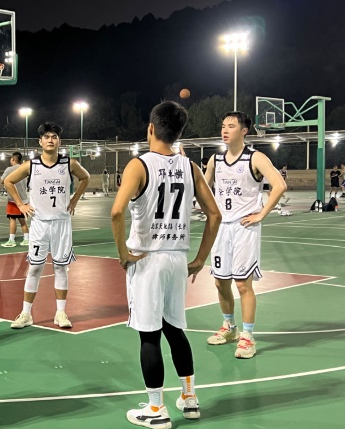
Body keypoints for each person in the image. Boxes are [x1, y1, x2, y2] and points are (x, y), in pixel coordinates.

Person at [111, 101, 221, 428]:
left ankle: (156, 409)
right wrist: (200, 259)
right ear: (179, 133)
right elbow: (214, 215)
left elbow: (116, 212)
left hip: (147, 258)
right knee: (174, 329)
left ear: (151, 128)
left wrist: (122, 253)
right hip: (177, 258)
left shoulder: (138, 165)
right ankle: (189, 397)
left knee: (149, 335)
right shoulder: (190, 167)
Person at [204, 111, 286, 359]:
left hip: (244, 228)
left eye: (231, 126)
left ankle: (248, 336)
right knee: (220, 282)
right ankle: (230, 327)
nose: (224, 130)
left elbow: (279, 185)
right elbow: (203, 189)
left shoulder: (255, 158)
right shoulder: (215, 160)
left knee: (242, 283)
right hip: (221, 228)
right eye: (223, 126)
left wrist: (261, 214)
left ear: (244, 131)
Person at [5, 122, 89, 329]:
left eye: (54, 137)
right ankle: (26, 314)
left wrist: (74, 200)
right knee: (34, 268)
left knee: (61, 267)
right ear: (40, 141)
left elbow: (85, 178)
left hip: (61, 223)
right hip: (39, 224)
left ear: (59, 141)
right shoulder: (31, 165)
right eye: (46, 137)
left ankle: (60, 313)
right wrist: (20, 204)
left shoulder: (69, 164)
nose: (50, 140)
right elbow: (8, 181)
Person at [0, 151, 30, 247]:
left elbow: (2, 181)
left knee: (12, 219)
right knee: (22, 221)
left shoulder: (10, 169)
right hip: (24, 199)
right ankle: (26, 239)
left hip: (13, 199)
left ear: (13, 159)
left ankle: (11, 240)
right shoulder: (24, 168)